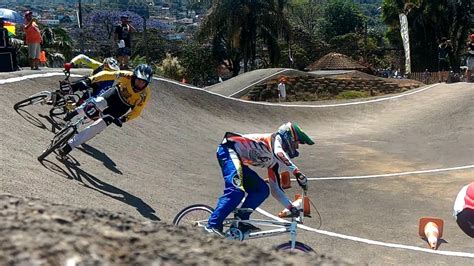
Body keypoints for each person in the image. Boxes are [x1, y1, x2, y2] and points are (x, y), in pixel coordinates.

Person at [204, 122, 314, 236]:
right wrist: (297, 173)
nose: (297, 147)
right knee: (236, 192)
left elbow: (276, 191)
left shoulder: (274, 162)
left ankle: (242, 220)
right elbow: (279, 152)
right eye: (297, 143)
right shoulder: (275, 140)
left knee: (262, 190)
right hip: (228, 150)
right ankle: (212, 226)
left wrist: (291, 208)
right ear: (289, 137)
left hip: (239, 161)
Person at [57, 64, 153, 157]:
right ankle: (76, 111)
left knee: (97, 127)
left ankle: (69, 146)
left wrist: (123, 119)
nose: (140, 84)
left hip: (122, 107)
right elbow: (106, 75)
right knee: (97, 103)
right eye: (139, 80)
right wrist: (90, 80)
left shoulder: (145, 94)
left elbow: (137, 111)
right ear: (134, 76)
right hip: (114, 95)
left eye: (144, 82)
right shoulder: (127, 75)